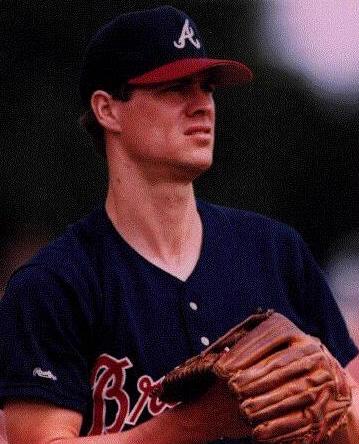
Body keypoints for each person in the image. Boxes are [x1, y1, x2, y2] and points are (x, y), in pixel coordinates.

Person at [0, 5, 358, 444]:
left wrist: (341, 408)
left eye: (207, 87)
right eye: (174, 88)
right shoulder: (54, 285)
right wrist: (194, 424)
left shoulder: (275, 251)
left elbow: (351, 397)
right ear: (108, 110)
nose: (202, 105)